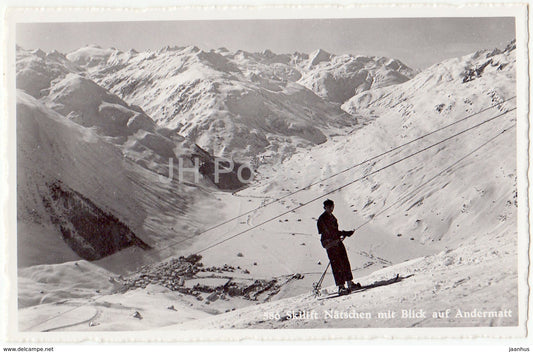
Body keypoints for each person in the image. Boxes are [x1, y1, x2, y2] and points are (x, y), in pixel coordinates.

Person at [317, 199, 361, 295]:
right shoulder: (323, 219)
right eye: (329, 207)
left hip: (336, 242)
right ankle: (341, 287)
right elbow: (329, 232)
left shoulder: (332, 217)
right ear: (325, 208)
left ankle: (349, 283)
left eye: (332, 206)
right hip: (330, 244)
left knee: (345, 261)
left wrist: (343, 234)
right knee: (337, 265)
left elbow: (334, 232)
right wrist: (344, 233)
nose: (331, 208)